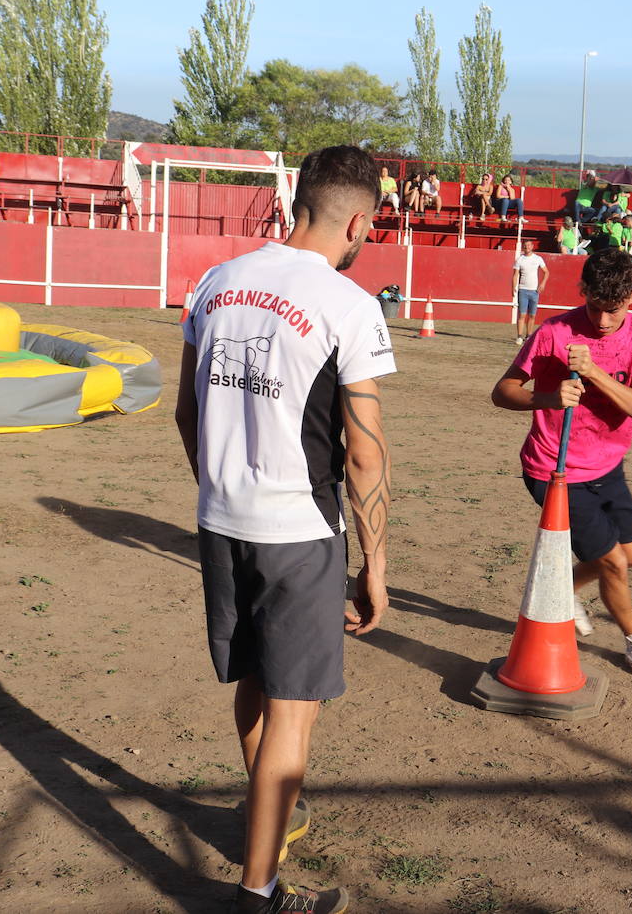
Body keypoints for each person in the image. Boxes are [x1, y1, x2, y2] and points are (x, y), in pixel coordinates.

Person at [174, 144, 394, 914]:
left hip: (218, 518)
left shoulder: (214, 282)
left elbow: (185, 413)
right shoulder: (348, 304)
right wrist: (375, 565)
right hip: (300, 531)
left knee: (256, 684)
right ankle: (260, 891)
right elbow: (363, 452)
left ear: (297, 201)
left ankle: (269, 819)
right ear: (361, 221)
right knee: (294, 710)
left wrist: (223, 486)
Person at [490, 248, 632, 676]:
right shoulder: (553, 332)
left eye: (615, 309)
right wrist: (548, 398)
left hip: (608, 464)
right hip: (554, 470)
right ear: (582, 290)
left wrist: (593, 373)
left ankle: (564, 591)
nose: (603, 321)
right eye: (595, 307)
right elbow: (502, 391)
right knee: (613, 563)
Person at [513, 238, 549, 344]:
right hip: (523, 290)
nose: (527, 247)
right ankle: (519, 336)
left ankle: (528, 336)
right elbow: (515, 275)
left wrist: (542, 284)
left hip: (534, 291)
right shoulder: (520, 259)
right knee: (522, 314)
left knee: (532, 315)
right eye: (525, 245)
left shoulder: (538, 259)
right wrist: (513, 288)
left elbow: (546, 272)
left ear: (532, 246)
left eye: (529, 245)